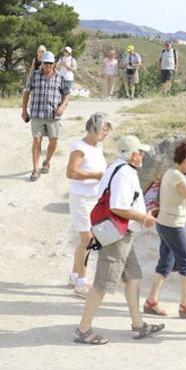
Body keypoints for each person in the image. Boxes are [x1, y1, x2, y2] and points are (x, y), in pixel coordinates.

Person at [74, 135, 164, 345]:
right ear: (132, 155)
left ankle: (138, 324)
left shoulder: (114, 167)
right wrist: (144, 218)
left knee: (133, 275)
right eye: (140, 151)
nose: (142, 155)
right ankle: (83, 329)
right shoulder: (125, 173)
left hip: (120, 233)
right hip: (117, 235)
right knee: (103, 283)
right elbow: (117, 207)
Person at [144, 140, 186, 318]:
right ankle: (185, 305)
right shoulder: (177, 176)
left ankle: (151, 302)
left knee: (166, 262)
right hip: (173, 225)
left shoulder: (169, 173)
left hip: (164, 223)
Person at [65, 113, 112, 297]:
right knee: (87, 239)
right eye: (103, 129)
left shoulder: (98, 146)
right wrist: (95, 176)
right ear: (93, 128)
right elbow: (70, 172)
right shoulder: (79, 147)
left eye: (107, 130)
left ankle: (75, 276)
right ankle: (82, 283)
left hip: (94, 198)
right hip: (81, 198)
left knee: (85, 239)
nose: (105, 133)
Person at [21, 51, 70, 182]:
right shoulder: (34, 76)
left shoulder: (59, 77)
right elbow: (26, 93)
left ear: (53, 64)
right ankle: (35, 169)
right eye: (45, 63)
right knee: (36, 140)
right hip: (37, 114)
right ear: (41, 63)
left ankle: (47, 161)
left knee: (53, 140)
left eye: (49, 64)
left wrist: (62, 107)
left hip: (53, 115)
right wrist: (24, 110)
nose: (47, 66)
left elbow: (66, 94)